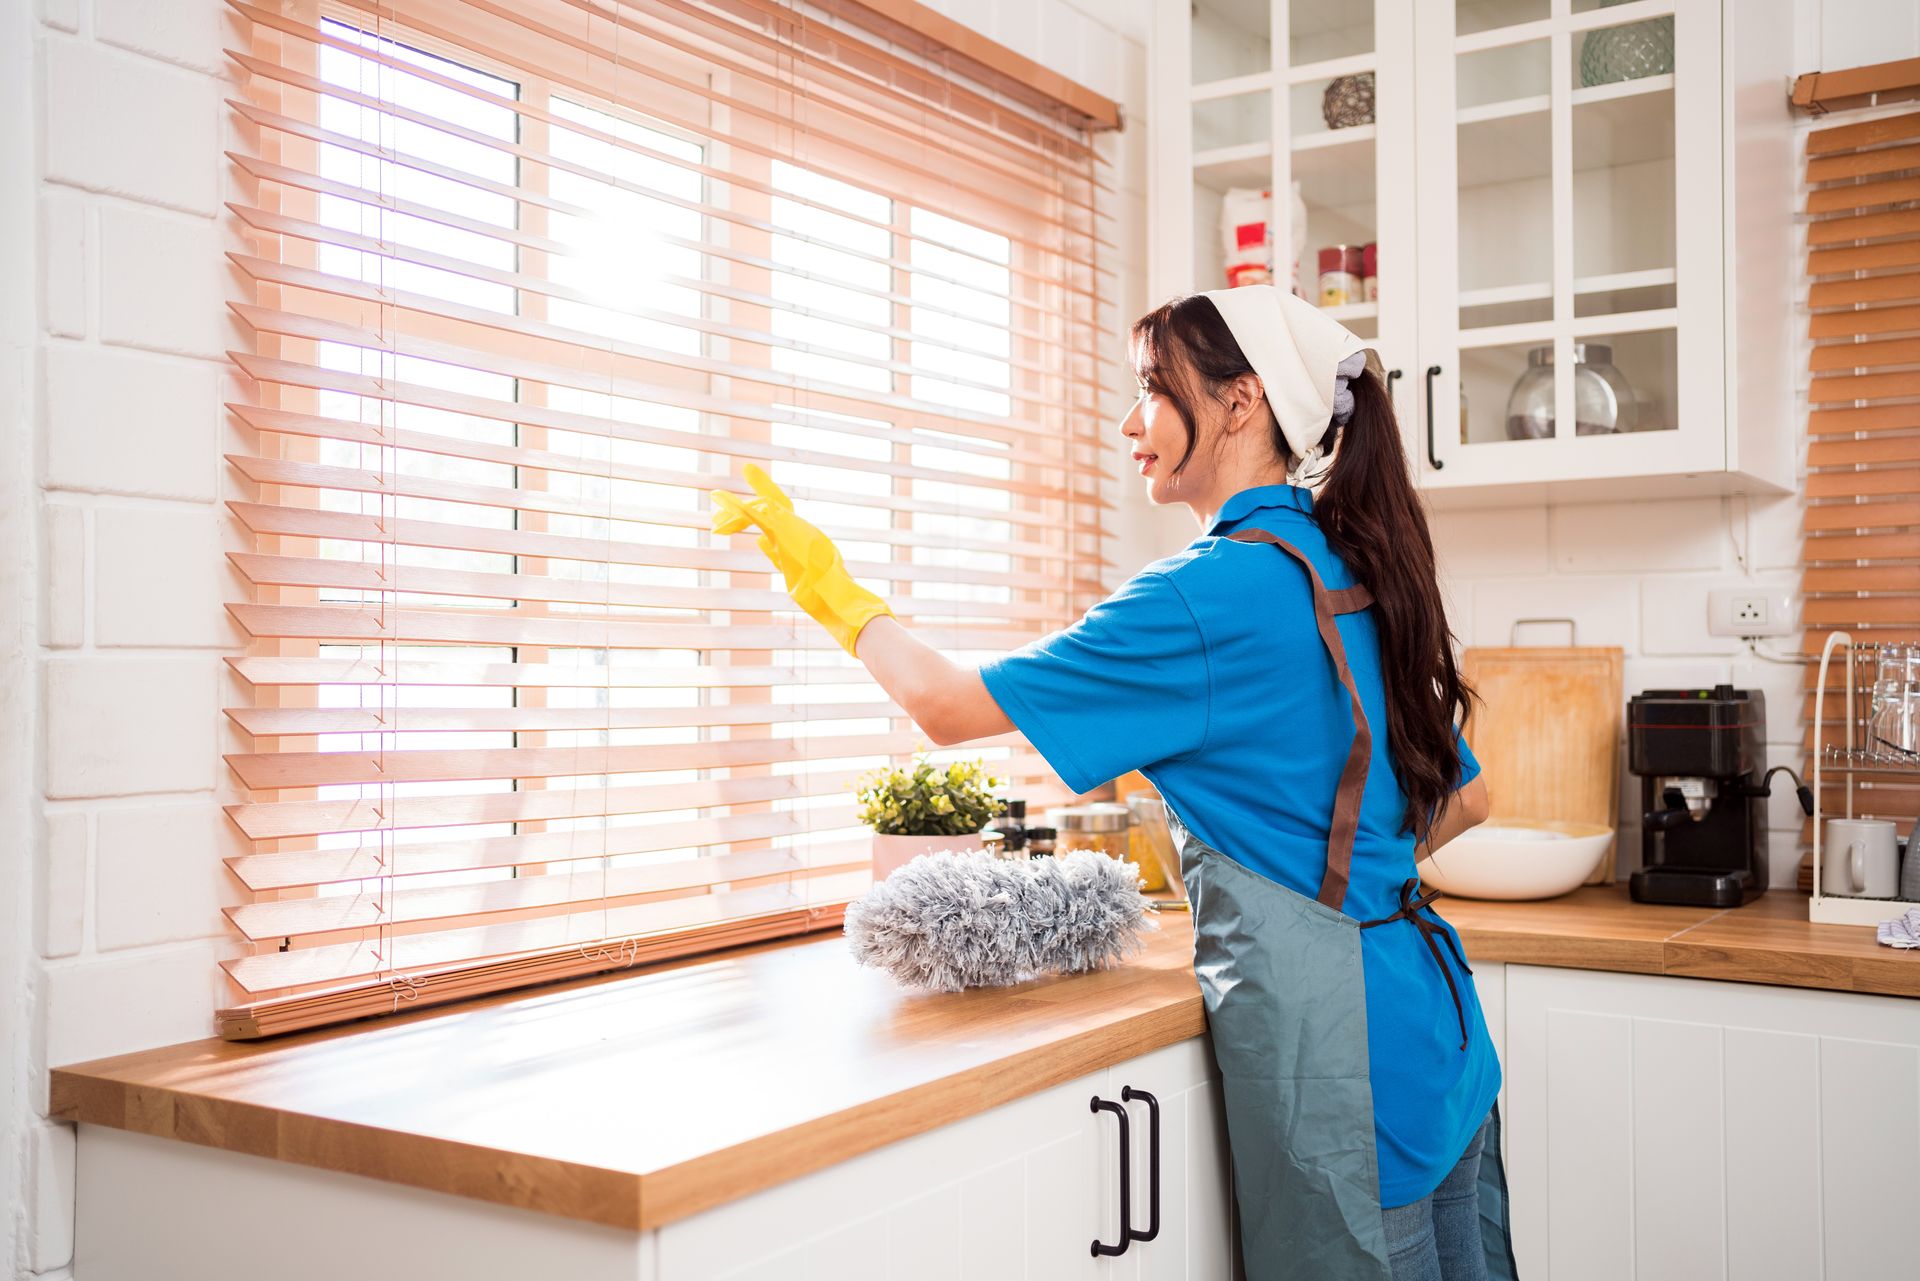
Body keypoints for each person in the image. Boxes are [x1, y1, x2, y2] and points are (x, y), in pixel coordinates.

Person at [711, 284, 1520, 1281]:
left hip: (1341, 1067)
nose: (1129, 421)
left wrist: (821, 580)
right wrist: (1326, 879)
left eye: (1152, 388)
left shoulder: (1204, 594)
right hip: (1438, 1037)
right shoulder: (1352, 563)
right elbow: (1467, 799)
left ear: (1240, 403)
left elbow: (946, 706)